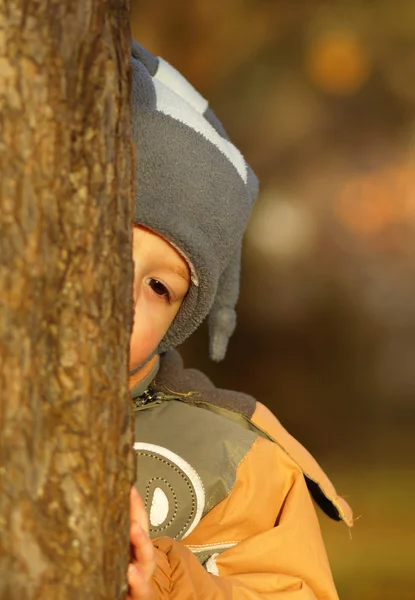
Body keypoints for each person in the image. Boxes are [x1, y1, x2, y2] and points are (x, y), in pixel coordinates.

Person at [126, 41, 353, 600]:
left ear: (181, 319)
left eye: (159, 287)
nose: (117, 298)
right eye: (97, 252)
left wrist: (163, 578)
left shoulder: (230, 461)